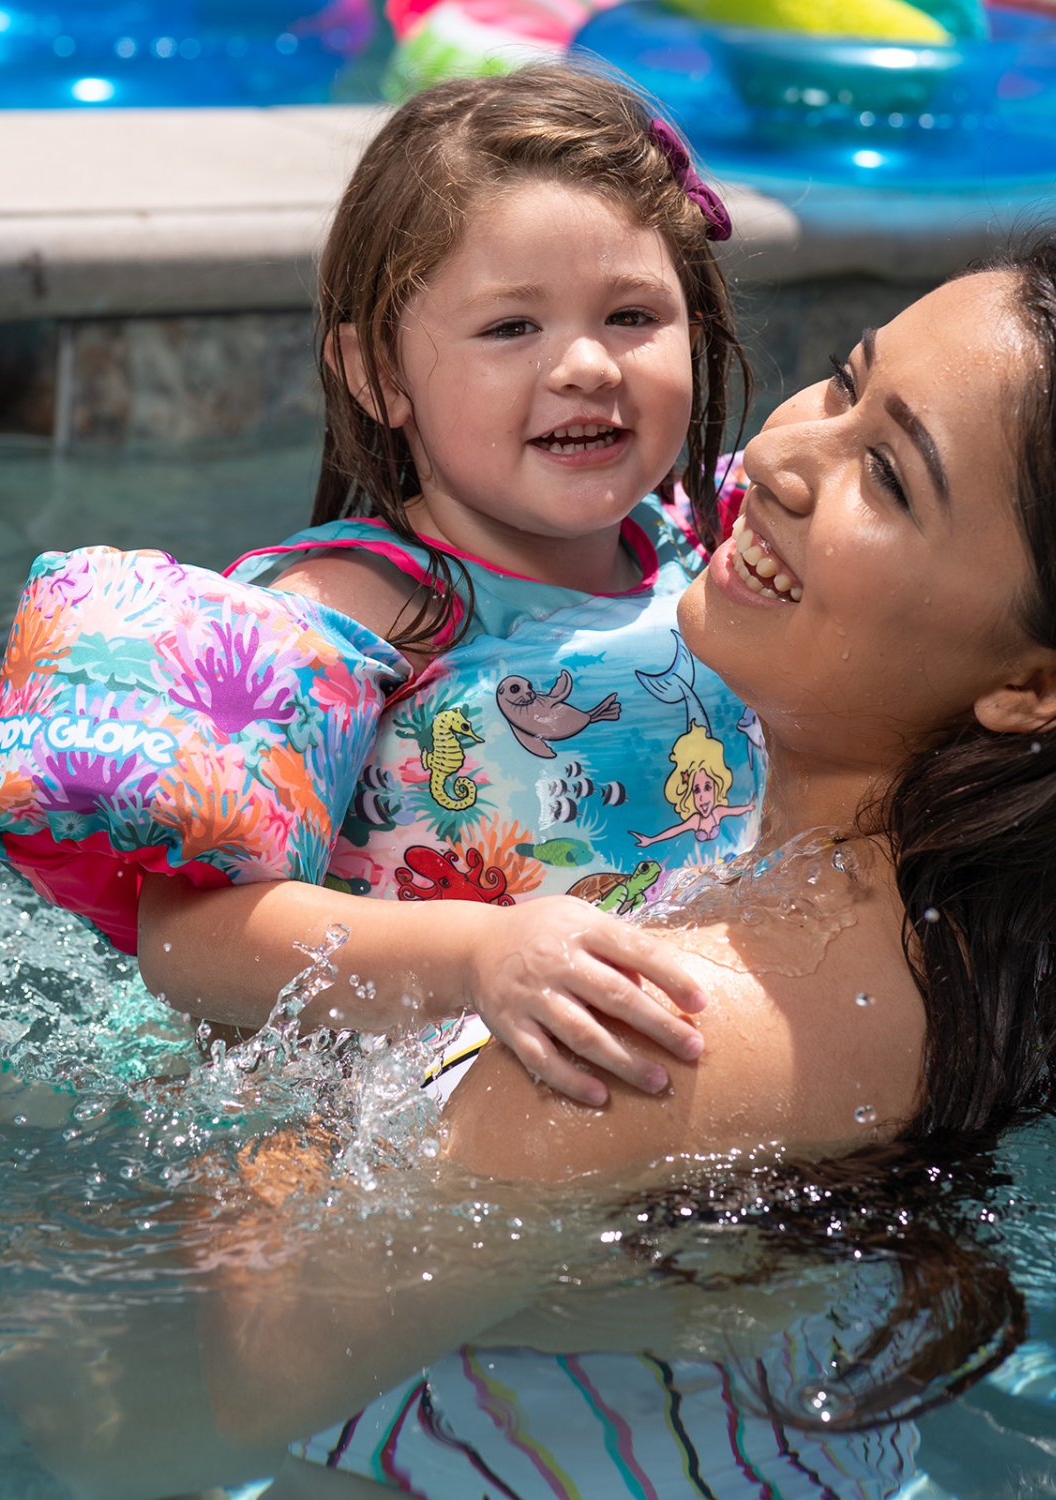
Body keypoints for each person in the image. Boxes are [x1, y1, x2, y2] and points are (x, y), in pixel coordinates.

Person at [185, 235, 1056, 1482]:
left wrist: (241, 1031)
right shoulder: (996, 960)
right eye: (846, 381)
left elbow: (255, 1375)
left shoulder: (643, 1036)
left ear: (1040, 686)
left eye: (887, 474)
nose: (780, 455)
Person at [138, 69, 765, 1109]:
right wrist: (477, 956)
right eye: (512, 327)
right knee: (266, 1194)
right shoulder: (341, 613)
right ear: (380, 374)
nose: (586, 365)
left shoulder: (720, 554)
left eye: (632, 314)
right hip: (363, 1111)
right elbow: (187, 941)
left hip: (661, 1084)